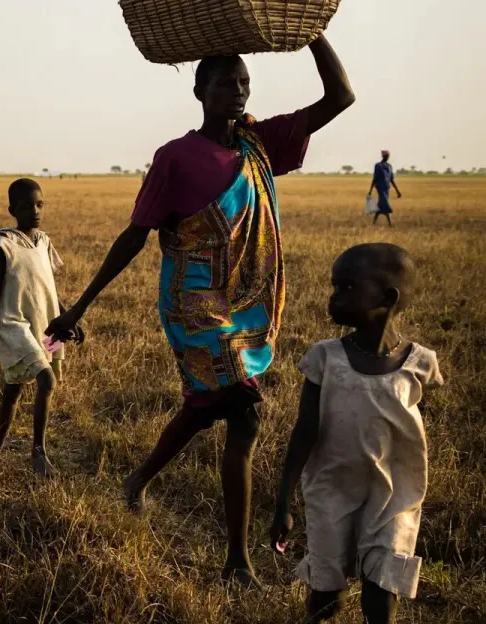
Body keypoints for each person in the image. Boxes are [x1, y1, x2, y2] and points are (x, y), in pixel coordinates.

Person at [45, 35, 355, 587]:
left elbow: (340, 97)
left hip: (245, 305)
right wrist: (78, 307)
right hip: (192, 304)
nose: (236, 93)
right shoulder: (175, 158)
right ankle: (238, 561)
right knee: (244, 410)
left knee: (209, 405)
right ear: (198, 90)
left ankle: (137, 480)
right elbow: (135, 235)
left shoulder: (260, 143)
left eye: (243, 84)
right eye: (223, 84)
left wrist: (311, 34)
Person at [270, 244, 442, 624]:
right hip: (332, 489)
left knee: (380, 590)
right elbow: (304, 432)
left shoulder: (419, 364)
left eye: (347, 287)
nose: (334, 296)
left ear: (387, 299)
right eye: (334, 286)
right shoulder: (324, 358)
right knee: (328, 591)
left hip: (394, 496)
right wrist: (283, 501)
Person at [0, 179, 79, 478]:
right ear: (12, 209)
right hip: (14, 325)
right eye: (26, 206)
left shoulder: (44, 242)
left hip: (44, 327)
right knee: (46, 381)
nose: (35, 211)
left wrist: (69, 317)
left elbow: (49, 287)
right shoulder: (5, 244)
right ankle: (38, 452)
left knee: (13, 389)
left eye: (39, 205)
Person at [369, 150, 402, 226]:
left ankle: (374, 223)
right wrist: (370, 190)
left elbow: (391, 179)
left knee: (381, 205)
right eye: (385, 156)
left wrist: (397, 191)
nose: (387, 157)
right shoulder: (378, 166)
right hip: (380, 188)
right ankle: (390, 223)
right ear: (382, 156)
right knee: (385, 204)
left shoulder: (390, 166)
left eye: (388, 156)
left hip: (387, 188)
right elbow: (375, 178)